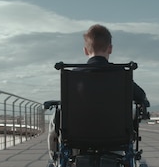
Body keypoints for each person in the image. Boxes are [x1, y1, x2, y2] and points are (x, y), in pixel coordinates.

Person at [48, 24, 150, 153]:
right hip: (115, 138)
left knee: (57, 114)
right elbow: (141, 96)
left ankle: (54, 156)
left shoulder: (74, 75)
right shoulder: (121, 75)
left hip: (78, 138)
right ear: (110, 49)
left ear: (85, 50)